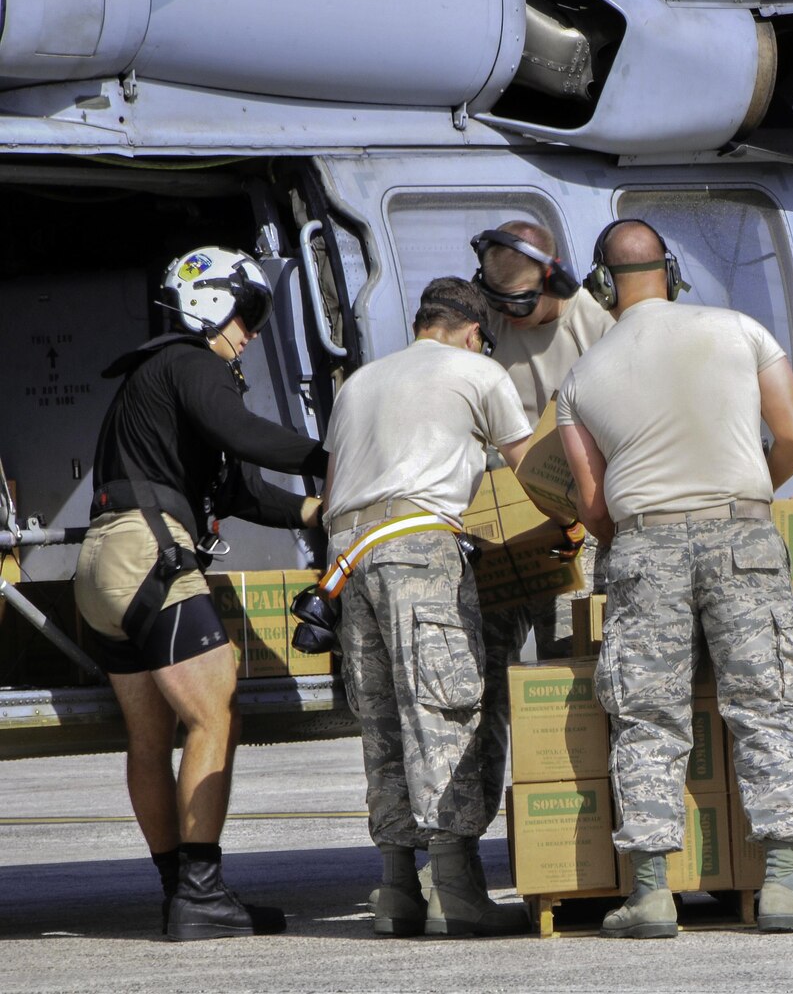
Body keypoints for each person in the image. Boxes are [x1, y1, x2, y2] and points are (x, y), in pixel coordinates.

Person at [556, 219, 793, 937]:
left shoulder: (579, 379)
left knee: (647, 716)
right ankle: (782, 884)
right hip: (740, 532)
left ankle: (651, 894)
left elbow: (594, 507)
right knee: (769, 704)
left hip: (644, 545)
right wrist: (744, 494)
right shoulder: (739, 330)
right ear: (673, 271)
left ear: (601, 285)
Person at [75, 245, 325, 940]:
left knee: (151, 736)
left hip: (103, 562)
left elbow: (232, 488)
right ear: (211, 303)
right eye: (247, 311)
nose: (251, 328)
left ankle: (180, 894)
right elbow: (242, 433)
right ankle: (202, 894)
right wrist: (335, 458)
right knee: (217, 716)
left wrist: (309, 509)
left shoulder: (152, 379)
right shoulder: (189, 362)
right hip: (148, 552)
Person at [322, 277, 534, 938]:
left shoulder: (358, 383)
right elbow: (534, 471)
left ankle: (395, 890)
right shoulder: (478, 370)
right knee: (447, 711)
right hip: (419, 551)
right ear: (473, 330)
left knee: (383, 721)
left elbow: (332, 486)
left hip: (348, 558)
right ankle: (458, 889)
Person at [467, 220, 611, 837]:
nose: (510, 315)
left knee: (573, 672)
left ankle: (586, 834)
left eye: (522, 301)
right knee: (481, 680)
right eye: (499, 302)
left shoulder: (590, 321)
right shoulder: (491, 328)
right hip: (502, 520)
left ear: (557, 278)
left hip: (577, 524)